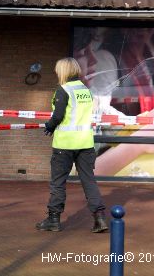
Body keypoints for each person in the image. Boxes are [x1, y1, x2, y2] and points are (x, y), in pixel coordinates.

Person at [36, 57, 108, 233]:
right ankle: (99, 218)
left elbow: (58, 116)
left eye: (57, 70)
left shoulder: (63, 90)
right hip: (86, 143)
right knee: (88, 181)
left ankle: (53, 219)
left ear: (63, 71)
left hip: (65, 145)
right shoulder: (86, 91)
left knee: (58, 183)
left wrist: (49, 126)